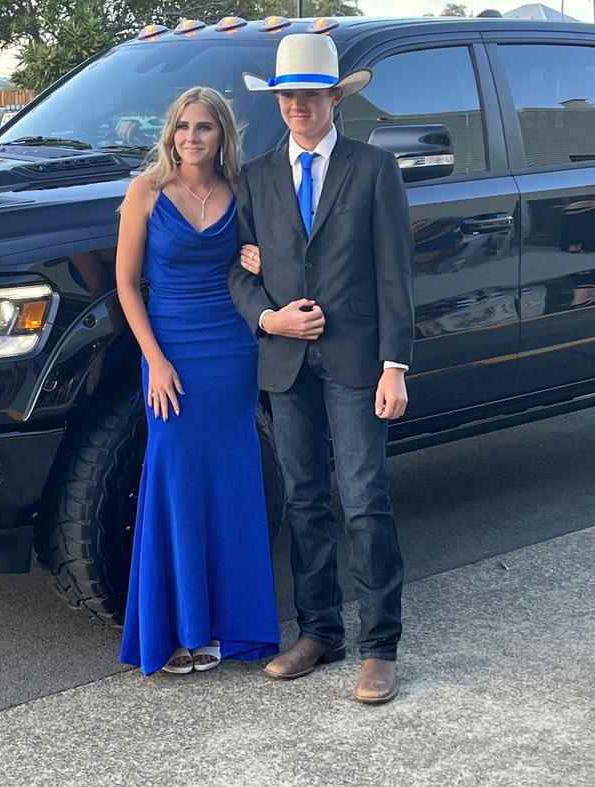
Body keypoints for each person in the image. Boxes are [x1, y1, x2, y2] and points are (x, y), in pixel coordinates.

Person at [230, 34, 415, 704]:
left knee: (365, 500)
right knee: (305, 501)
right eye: (287, 96)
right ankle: (318, 630)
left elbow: (395, 274)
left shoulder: (373, 169)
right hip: (285, 362)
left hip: (358, 361)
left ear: (336, 97)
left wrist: (395, 365)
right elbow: (237, 269)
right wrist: (266, 318)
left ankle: (379, 646)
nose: (298, 105)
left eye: (310, 93)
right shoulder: (255, 176)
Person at [117, 86, 280, 676]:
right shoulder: (147, 192)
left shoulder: (242, 192)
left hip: (231, 349)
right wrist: (155, 360)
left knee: (231, 483)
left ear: (223, 136)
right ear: (170, 133)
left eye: (204, 127)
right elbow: (128, 286)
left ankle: (226, 628)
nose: (191, 137)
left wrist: (255, 257)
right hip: (171, 352)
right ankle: (178, 629)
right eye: (183, 126)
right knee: (175, 476)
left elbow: (266, 257)